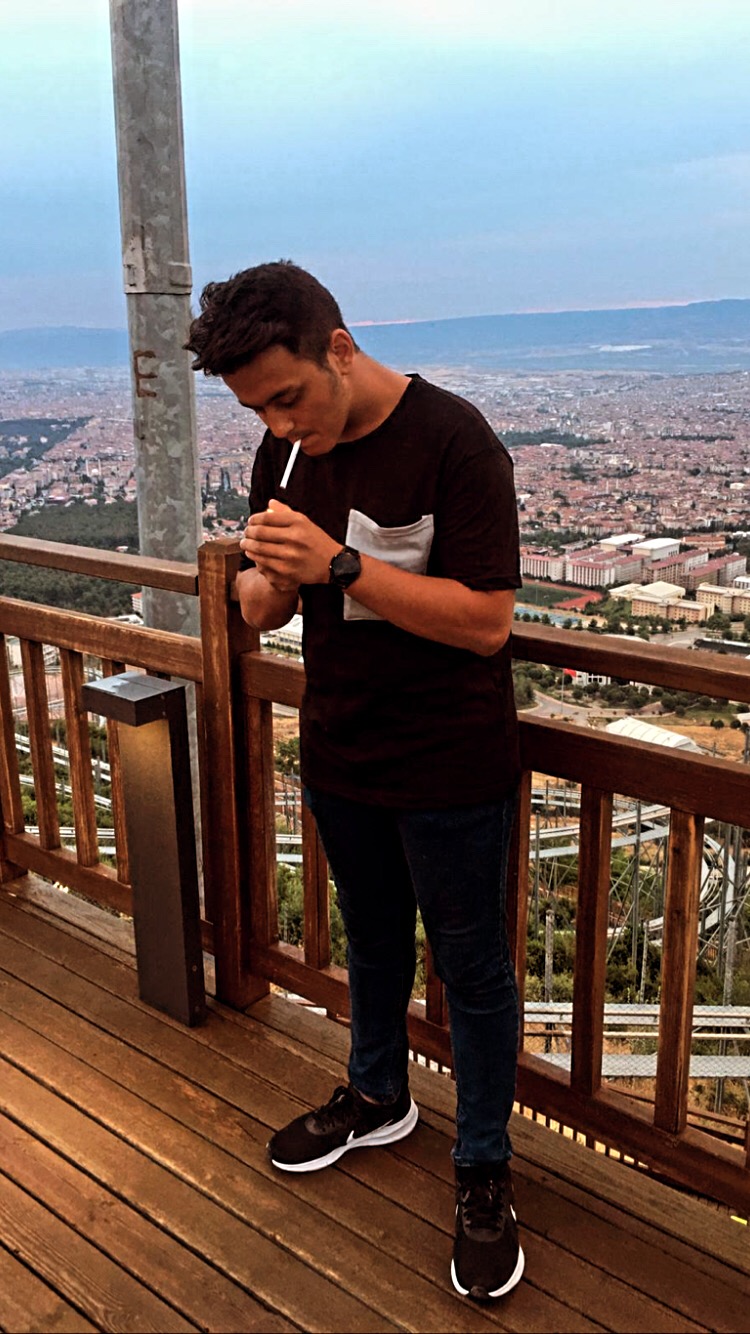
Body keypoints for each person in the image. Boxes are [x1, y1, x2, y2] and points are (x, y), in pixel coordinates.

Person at [186, 260, 524, 1302]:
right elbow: (260, 610)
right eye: (257, 409)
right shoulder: (285, 455)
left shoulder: (455, 441)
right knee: (372, 940)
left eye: (288, 397)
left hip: (453, 760)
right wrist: (265, 578)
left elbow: (488, 623)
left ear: (340, 348)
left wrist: (340, 564)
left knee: (472, 968)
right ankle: (378, 1093)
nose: (279, 423)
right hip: (342, 747)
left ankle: (483, 1165)